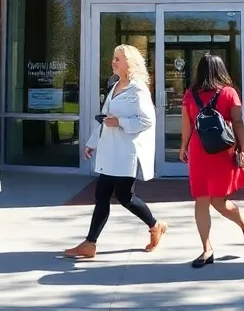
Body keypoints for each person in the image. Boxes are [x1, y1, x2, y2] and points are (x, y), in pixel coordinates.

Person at [64, 45, 168, 259]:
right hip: (109, 150)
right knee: (102, 194)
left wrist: (120, 122)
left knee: (124, 196)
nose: (113, 62)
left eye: (117, 58)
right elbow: (105, 118)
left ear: (129, 62)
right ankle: (90, 243)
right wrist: (92, 142)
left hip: (125, 152)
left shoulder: (138, 89)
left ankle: (156, 225)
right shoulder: (114, 87)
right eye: (113, 58)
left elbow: (147, 120)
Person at [179, 54, 244, 268]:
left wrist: (184, 146)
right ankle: (207, 249)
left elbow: (186, 125)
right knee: (202, 199)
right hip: (221, 150)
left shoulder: (190, 94)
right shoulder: (229, 93)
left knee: (217, 201)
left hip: (201, 150)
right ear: (221, 70)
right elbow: (238, 122)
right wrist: (243, 149)